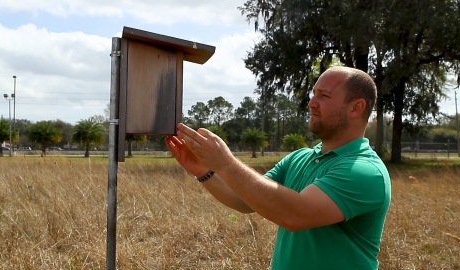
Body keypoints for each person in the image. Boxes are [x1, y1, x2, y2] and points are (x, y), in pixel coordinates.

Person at [165, 66, 391, 269]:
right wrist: (204, 171)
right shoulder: (299, 158)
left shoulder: (365, 171)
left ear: (356, 107)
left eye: (324, 95)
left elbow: (295, 215)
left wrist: (226, 162)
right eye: (314, 94)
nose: (312, 102)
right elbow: (245, 199)